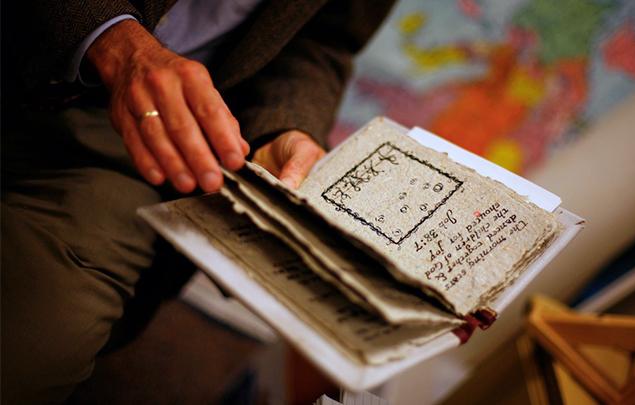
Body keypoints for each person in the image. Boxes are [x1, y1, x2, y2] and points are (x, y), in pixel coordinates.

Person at [1, 1, 394, 402]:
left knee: (41, 342)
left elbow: (323, 42)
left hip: (144, 148)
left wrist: (284, 125)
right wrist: (115, 39)